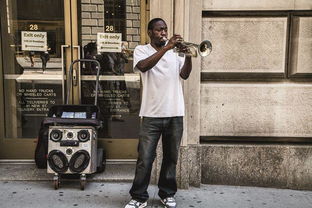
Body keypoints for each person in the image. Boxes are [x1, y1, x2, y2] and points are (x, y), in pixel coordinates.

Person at [125, 18, 192, 208]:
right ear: (150, 32)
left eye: (165, 30)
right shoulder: (142, 50)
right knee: (145, 159)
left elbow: (185, 75)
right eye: (159, 30)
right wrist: (166, 48)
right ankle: (138, 197)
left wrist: (187, 56)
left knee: (171, 158)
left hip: (175, 113)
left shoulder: (176, 53)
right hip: (151, 115)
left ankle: (167, 193)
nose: (163, 33)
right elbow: (144, 67)